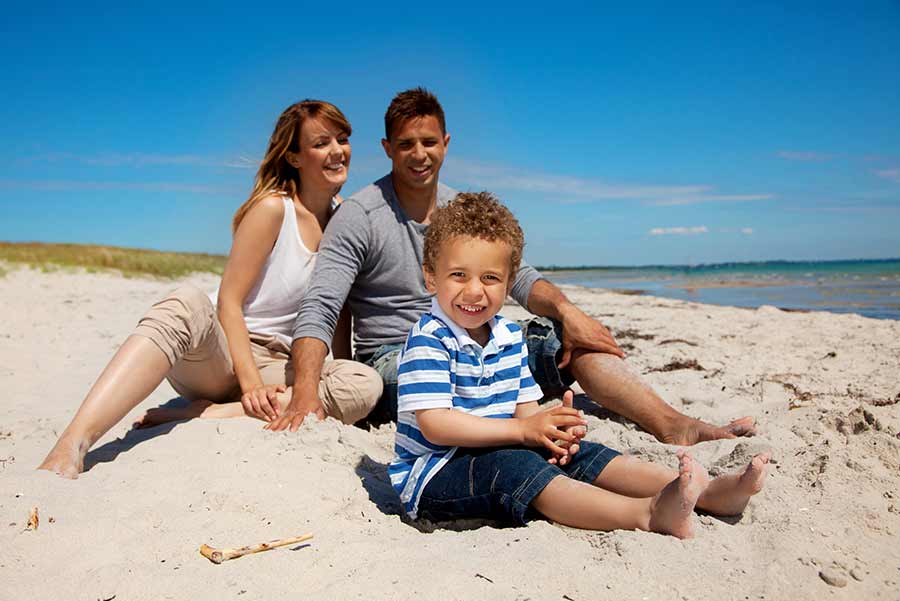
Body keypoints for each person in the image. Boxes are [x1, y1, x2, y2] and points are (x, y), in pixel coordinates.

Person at [269, 87, 755, 447]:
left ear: (446, 142)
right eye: (406, 144)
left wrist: (568, 312)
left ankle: (673, 424)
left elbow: (518, 276)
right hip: (402, 355)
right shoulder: (361, 213)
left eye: (430, 142)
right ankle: (515, 432)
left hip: (478, 337)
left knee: (566, 340)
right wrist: (306, 392)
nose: (420, 154)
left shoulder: (462, 211)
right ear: (388, 148)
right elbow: (321, 305)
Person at [389, 192, 769, 536]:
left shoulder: (506, 336)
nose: (474, 290)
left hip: (500, 446)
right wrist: (524, 433)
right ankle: (646, 514)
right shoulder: (429, 338)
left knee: (577, 454)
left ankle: (711, 493)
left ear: (508, 285)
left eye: (490, 278)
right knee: (518, 467)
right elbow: (436, 426)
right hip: (435, 475)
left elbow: (525, 411)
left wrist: (548, 432)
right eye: (459, 275)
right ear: (430, 277)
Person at [39, 100, 383, 479]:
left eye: (343, 139)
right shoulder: (273, 209)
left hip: (284, 368)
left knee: (364, 383)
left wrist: (336, 367)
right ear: (295, 157)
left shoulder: (346, 219)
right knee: (185, 301)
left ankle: (209, 412)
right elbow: (230, 303)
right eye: (321, 143)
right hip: (227, 356)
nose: (337, 151)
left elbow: (334, 309)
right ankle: (72, 444)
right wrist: (250, 384)